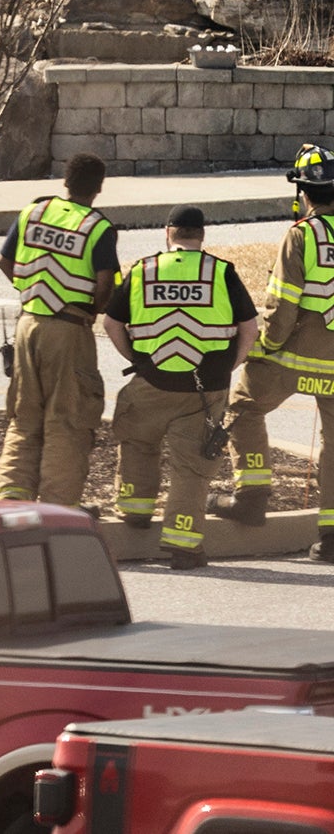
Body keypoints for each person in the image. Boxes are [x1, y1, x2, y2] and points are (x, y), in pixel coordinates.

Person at [103, 205, 256, 567]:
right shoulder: (221, 272)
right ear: (201, 235)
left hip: (151, 382)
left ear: (167, 232)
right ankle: (184, 545)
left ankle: (135, 510)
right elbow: (249, 329)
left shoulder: (143, 269)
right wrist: (228, 367)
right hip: (203, 393)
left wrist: (136, 361)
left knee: (138, 443)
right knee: (191, 468)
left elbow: (111, 324)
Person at [221, 144, 334, 558]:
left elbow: (283, 306)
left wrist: (264, 347)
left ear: (303, 193)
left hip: (290, 359)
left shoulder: (302, 235)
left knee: (243, 406)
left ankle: (251, 496)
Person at [0, 153, 121, 507]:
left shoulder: (33, 212)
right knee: (67, 421)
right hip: (68, 329)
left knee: (24, 418)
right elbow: (105, 285)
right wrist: (90, 311)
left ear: (65, 181)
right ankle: (55, 509)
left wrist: (31, 291)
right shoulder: (97, 228)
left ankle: (11, 500)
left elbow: (5, 262)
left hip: (27, 324)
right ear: (99, 188)